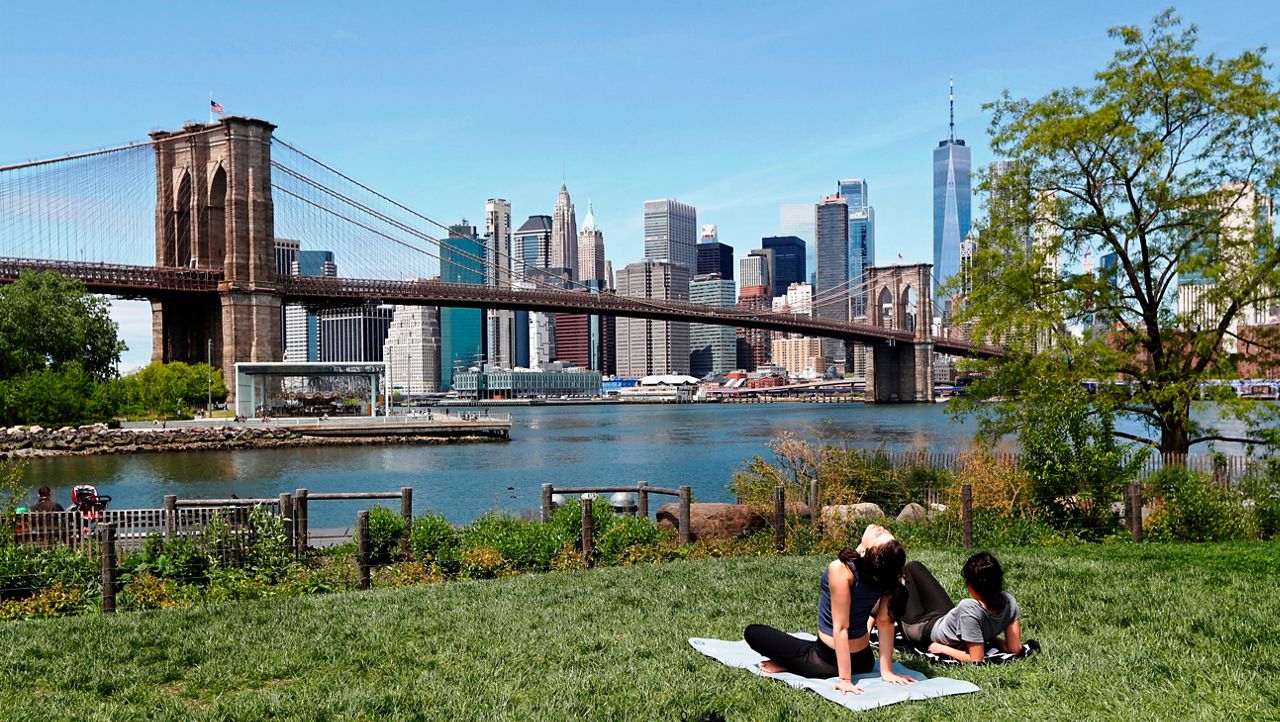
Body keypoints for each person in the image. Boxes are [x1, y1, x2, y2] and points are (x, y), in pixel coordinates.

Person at [744, 523, 916, 695]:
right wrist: (886, 671)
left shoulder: (842, 570)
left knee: (753, 632)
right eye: (884, 532)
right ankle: (796, 663)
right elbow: (884, 623)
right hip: (864, 660)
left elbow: (841, 628)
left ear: (864, 552)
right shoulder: (890, 572)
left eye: (881, 535)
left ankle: (798, 666)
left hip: (826, 659)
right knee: (801, 645)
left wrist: (845, 680)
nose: (880, 529)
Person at [897, 552, 1022, 663]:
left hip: (921, 628)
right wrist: (990, 639)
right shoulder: (1008, 602)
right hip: (945, 618)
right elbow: (1015, 648)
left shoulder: (970, 609)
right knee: (914, 566)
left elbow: (976, 658)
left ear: (971, 585)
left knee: (903, 573)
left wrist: (943, 649)